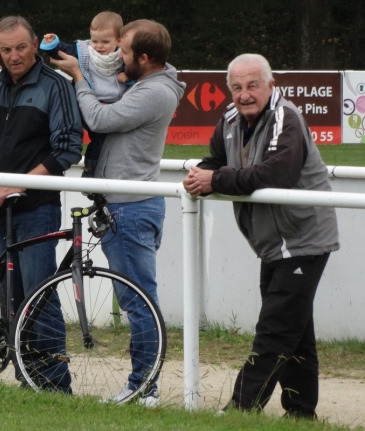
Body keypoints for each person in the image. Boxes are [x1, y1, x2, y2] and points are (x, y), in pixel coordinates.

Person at [183, 53, 339, 419]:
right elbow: (216, 160)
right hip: (273, 243)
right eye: (236, 87)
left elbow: (278, 174)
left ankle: (239, 411)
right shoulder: (230, 121)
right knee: (294, 330)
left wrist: (215, 180)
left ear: (271, 85)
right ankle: (301, 413)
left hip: (303, 240)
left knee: (274, 330)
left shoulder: (288, 118)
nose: (245, 94)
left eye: (253, 85)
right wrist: (198, 174)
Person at [50, 19, 186, 406]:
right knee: (138, 298)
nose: (115, 57)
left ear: (145, 57)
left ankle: (145, 385)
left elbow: (100, 120)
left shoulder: (154, 92)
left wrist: (78, 75)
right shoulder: (149, 82)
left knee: (137, 300)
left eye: (123, 52)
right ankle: (146, 383)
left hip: (129, 208)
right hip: (126, 206)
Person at [0, 15, 83, 393]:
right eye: (6, 49)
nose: (14, 56)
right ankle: (28, 379)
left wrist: (16, 184)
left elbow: (68, 149)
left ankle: (55, 386)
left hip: (36, 209)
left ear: (35, 45)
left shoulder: (55, 86)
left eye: (20, 47)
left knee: (39, 295)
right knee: (9, 299)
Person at [40, 11, 130, 178]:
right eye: (95, 40)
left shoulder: (125, 56)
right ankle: (60, 157)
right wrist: (52, 44)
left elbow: (140, 70)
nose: (98, 46)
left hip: (112, 108)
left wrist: (128, 75)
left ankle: (92, 170)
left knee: (104, 140)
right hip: (84, 102)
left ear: (119, 40)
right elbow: (63, 52)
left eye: (105, 42)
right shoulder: (84, 51)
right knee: (66, 126)